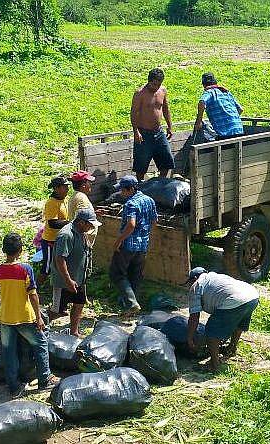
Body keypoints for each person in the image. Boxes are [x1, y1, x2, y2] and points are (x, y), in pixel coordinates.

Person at [0, 233, 59, 397]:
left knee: (9, 352)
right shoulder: (25, 269)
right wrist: (39, 317)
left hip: (6, 317)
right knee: (41, 343)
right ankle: (45, 379)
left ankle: (14, 387)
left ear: (3, 250)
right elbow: (33, 295)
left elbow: (0, 288)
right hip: (24, 316)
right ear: (20, 250)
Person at [184, 267, 259, 373]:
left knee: (211, 332)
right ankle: (231, 348)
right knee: (239, 323)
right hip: (252, 295)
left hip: (235, 299)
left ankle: (214, 365)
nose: (189, 285)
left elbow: (194, 317)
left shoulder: (196, 286)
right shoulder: (215, 276)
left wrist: (190, 339)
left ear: (195, 278)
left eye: (190, 281)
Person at [49, 208, 102, 337]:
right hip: (64, 281)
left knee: (79, 304)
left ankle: (74, 332)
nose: (91, 227)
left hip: (79, 278)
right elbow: (60, 259)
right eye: (89, 224)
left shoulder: (81, 232)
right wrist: (68, 280)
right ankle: (38, 325)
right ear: (81, 222)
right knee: (58, 311)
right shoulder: (66, 235)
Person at [110, 175, 158, 315]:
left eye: (123, 190)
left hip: (128, 245)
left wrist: (119, 241)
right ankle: (132, 306)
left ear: (131, 189)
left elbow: (131, 225)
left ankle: (131, 303)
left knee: (116, 273)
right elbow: (154, 221)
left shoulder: (131, 204)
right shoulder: (149, 200)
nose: (121, 193)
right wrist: (145, 234)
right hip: (142, 245)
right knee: (135, 274)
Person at [131, 68, 175, 182]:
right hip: (144, 133)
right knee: (141, 166)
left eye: (158, 84)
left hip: (159, 132)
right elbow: (134, 112)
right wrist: (136, 132)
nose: (156, 87)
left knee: (166, 162)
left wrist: (170, 126)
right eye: (154, 84)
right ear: (149, 81)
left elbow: (165, 108)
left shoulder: (162, 91)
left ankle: (160, 184)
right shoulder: (140, 93)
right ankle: (140, 186)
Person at [32, 176, 69, 285]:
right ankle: (34, 289)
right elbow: (53, 223)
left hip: (61, 238)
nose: (67, 189)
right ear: (56, 189)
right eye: (65, 187)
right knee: (47, 267)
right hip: (50, 240)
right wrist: (70, 223)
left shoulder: (65, 199)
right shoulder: (51, 203)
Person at [194, 73, 244, 140]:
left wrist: (198, 121)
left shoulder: (209, 92)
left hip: (225, 135)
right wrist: (230, 119)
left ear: (204, 84)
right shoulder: (226, 92)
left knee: (204, 127)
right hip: (239, 131)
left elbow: (202, 102)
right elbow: (240, 109)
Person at [68, 170, 97, 247]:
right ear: (84, 185)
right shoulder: (81, 198)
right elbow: (82, 222)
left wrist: (94, 213)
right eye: (89, 182)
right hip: (83, 241)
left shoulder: (75, 195)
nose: (90, 184)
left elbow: (81, 215)